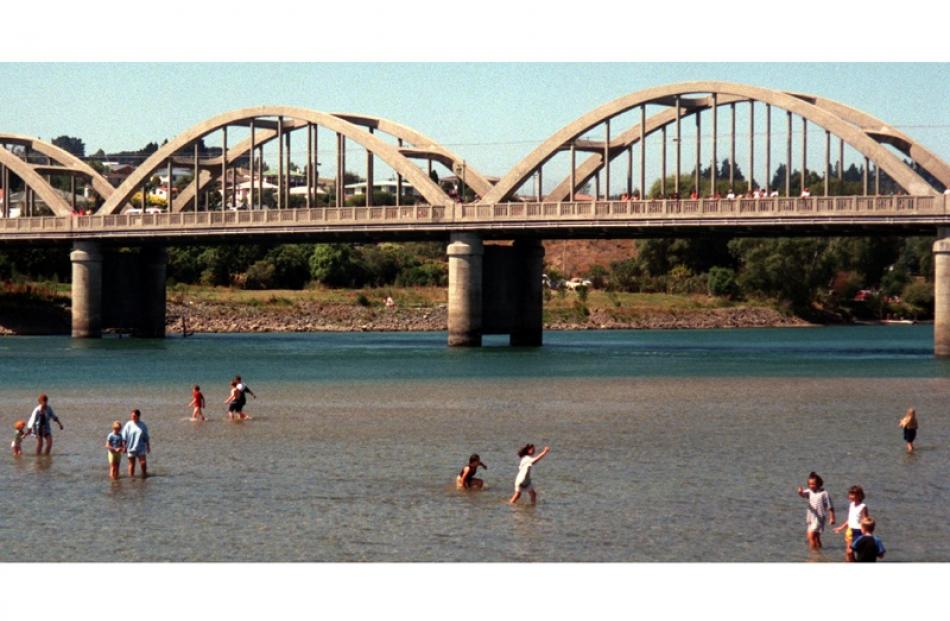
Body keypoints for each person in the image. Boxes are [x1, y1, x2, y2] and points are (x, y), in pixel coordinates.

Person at [796, 471, 835, 550]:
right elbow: (803, 495)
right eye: (809, 484)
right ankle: (819, 551)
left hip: (819, 517)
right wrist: (800, 492)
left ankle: (813, 554)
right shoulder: (809, 491)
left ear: (819, 483)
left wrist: (832, 518)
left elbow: (830, 507)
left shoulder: (824, 493)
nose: (811, 486)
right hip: (811, 517)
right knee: (815, 536)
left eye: (813, 484)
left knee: (811, 535)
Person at [833, 485, 869, 561]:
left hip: (858, 531)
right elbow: (849, 520)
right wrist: (841, 527)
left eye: (854, 494)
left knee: (855, 551)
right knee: (848, 551)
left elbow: (866, 520)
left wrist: (866, 532)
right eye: (850, 494)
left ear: (860, 495)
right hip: (850, 530)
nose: (851, 496)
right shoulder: (851, 505)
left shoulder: (863, 506)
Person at [121, 409, 150, 479]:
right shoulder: (128, 424)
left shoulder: (143, 425)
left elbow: (146, 436)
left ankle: (144, 476)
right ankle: (131, 478)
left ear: (138, 416)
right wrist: (124, 446)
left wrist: (148, 446)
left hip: (141, 447)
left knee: (143, 463)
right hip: (131, 446)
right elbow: (124, 436)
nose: (132, 417)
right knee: (131, 464)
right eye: (132, 416)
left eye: (134, 416)